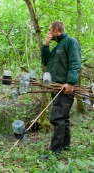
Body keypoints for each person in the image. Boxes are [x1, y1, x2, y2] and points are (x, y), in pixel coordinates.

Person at [41, 21, 81, 156]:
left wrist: (70, 82)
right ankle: (65, 147)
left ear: (56, 30)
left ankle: (54, 151)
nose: (48, 32)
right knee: (64, 118)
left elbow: (75, 62)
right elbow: (45, 62)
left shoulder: (70, 42)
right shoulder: (57, 46)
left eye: (49, 30)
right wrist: (46, 45)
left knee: (57, 118)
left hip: (65, 88)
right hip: (56, 87)